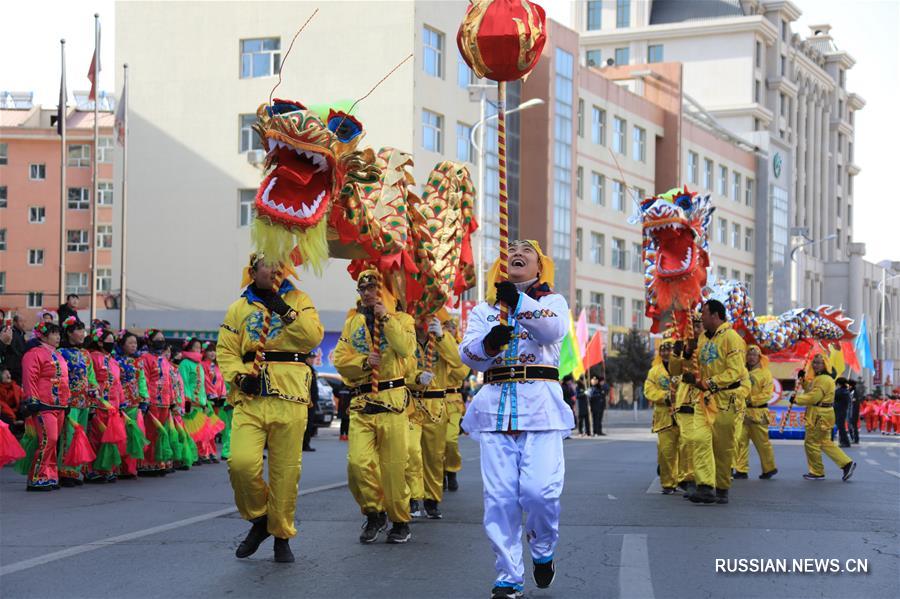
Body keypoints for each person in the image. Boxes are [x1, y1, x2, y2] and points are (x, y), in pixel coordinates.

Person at [459, 240, 573, 599]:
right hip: (494, 412)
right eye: (511, 251)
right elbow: (470, 355)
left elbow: (553, 331)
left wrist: (520, 302)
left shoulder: (551, 302)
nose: (517, 253)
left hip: (540, 410)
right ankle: (508, 576)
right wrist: (490, 343)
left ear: (539, 265)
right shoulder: (484, 310)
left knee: (540, 493)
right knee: (500, 499)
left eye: (526, 250)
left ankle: (542, 552)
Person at [217, 253, 324, 563]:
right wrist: (239, 376)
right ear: (254, 271)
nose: (276, 269)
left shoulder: (300, 299)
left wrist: (284, 310)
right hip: (250, 397)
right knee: (240, 463)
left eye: (281, 264)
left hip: (289, 398)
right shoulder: (239, 308)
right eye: (268, 264)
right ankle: (261, 519)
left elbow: (313, 337)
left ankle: (281, 535)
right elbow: (225, 350)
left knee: (285, 473)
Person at [334, 269, 415, 545]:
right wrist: (364, 362)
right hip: (362, 404)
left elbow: (405, 349)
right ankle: (373, 512)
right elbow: (339, 358)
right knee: (357, 465)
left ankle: (400, 520)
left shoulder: (403, 319)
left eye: (372, 287)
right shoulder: (352, 322)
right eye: (362, 288)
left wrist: (386, 318)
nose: (367, 293)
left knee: (393, 469)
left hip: (391, 404)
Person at [682, 299, 749, 505]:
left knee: (723, 448)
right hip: (703, 400)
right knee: (699, 439)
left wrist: (708, 383)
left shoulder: (732, 338)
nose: (701, 317)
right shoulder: (701, 338)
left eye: (704, 313)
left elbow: (734, 372)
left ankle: (722, 488)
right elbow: (695, 368)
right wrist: (686, 354)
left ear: (716, 315)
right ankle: (705, 486)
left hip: (725, 400)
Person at [407, 316, 464, 519]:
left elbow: (459, 362)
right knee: (411, 452)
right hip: (411, 403)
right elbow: (397, 368)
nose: (421, 321)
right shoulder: (407, 336)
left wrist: (442, 338)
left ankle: (432, 499)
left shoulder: (442, 338)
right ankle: (412, 498)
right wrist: (414, 378)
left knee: (434, 456)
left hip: (436, 405)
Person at [20, 323, 70, 491]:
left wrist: (67, 400)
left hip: (59, 404)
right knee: (49, 439)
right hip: (43, 403)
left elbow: (64, 380)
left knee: (53, 442)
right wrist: (32, 399)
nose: (58, 337)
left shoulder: (59, 355)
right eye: (54, 334)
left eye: (58, 334)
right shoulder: (34, 354)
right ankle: (37, 477)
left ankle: (50, 476)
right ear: (43, 336)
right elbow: (30, 377)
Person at [792, 353, 856, 481]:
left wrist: (796, 399)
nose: (815, 365)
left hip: (819, 413)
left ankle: (817, 472)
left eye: (819, 363)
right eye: (814, 362)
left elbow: (814, 397)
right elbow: (810, 390)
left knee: (811, 443)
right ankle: (846, 463)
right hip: (822, 413)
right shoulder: (820, 378)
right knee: (824, 442)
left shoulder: (823, 379)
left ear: (825, 365)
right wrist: (803, 381)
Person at [57, 317, 99, 486]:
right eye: (78, 330)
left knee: (80, 436)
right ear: (68, 332)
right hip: (69, 401)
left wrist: (94, 389)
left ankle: (75, 471)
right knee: (69, 434)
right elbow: (60, 377)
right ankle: (64, 471)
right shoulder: (60, 353)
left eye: (83, 330)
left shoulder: (85, 354)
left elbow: (91, 377)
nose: (82, 334)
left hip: (84, 401)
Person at [87, 327, 127, 484]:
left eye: (113, 341)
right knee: (96, 437)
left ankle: (107, 468)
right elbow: (91, 379)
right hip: (99, 404)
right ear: (100, 342)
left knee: (110, 438)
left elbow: (118, 384)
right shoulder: (93, 357)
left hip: (113, 407)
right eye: (109, 341)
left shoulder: (113, 361)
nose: (112, 344)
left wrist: (121, 402)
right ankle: (92, 469)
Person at [733, 346, 778, 479]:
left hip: (759, 413)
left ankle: (769, 468)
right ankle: (741, 469)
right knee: (740, 440)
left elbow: (767, 394)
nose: (751, 357)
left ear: (759, 357)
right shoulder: (741, 372)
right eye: (749, 354)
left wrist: (751, 400)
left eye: (754, 355)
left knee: (762, 443)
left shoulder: (765, 373)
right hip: (742, 412)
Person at [643, 333, 679, 494]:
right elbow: (648, 390)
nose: (666, 352)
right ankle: (668, 483)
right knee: (665, 451)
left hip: (683, 415)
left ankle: (682, 479)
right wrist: (664, 396)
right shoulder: (654, 371)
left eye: (669, 349)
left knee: (684, 450)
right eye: (663, 350)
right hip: (663, 417)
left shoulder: (682, 368)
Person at [139, 330, 174, 475]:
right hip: (152, 401)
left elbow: (170, 382)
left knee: (161, 433)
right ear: (149, 341)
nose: (161, 341)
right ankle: (147, 463)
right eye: (157, 339)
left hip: (165, 402)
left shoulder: (165, 360)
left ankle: (158, 462)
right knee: (150, 433)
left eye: (162, 339)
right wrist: (144, 399)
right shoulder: (144, 358)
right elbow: (144, 380)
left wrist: (172, 400)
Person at [116, 331, 150, 479]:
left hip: (134, 403)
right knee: (121, 436)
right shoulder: (115, 360)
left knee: (134, 436)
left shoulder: (138, 362)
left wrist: (144, 398)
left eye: (135, 343)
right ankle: (119, 468)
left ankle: (130, 468)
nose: (133, 346)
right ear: (122, 344)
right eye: (130, 343)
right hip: (120, 403)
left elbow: (142, 380)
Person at [180, 338, 217, 464]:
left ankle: (201, 454)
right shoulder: (185, 363)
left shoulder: (199, 364)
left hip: (200, 403)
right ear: (189, 348)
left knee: (200, 432)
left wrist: (205, 401)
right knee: (191, 432)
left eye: (199, 347)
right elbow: (183, 383)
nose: (198, 349)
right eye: (195, 347)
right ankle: (192, 456)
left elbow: (201, 386)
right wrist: (187, 401)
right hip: (190, 403)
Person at [443, 318, 469, 492]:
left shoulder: (461, 348)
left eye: (452, 328)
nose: (449, 330)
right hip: (433, 400)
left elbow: (462, 373)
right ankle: (437, 475)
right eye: (446, 327)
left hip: (453, 399)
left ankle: (451, 470)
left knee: (450, 439)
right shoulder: (434, 346)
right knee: (433, 444)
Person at [302, 354, 319, 452]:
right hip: (308, 401)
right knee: (306, 424)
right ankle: (304, 444)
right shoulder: (304, 368)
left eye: (313, 358)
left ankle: (305, 443)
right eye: (311, 358)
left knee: (309, 424)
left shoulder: (311, 369)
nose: (312, 360)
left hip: (312, 400)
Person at [833, 377, 852, 448]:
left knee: (841, 427)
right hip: (842, 411)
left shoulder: (840, 391)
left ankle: (845, 442)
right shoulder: (845, 391)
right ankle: (843, 441)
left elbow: (832, 397)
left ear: (839, 383)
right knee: (841, 427)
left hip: (839, 411)